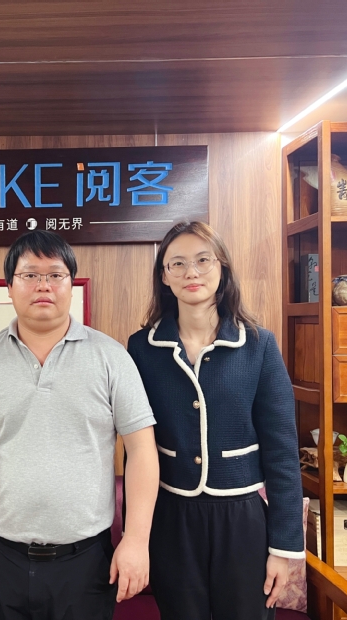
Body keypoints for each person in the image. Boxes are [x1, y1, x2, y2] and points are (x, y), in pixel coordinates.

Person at [0, 230, 159, 620]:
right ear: (9, 287)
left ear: (71, 285)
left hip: (86, 561)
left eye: (55, 275)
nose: (43, 285)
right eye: (30, 275)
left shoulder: (111, 357)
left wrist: (136, 539)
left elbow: (142, 450)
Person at [127, 220, 304, 620]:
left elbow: (282, 453)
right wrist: (137, 537)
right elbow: (136, 447)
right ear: (164, 276)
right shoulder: (141, 348)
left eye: (203, 260)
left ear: (222, 267)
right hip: (171, 519)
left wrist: (284, 548)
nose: (191, 272)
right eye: (177, 263)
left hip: (242, 519)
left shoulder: (258, 344)